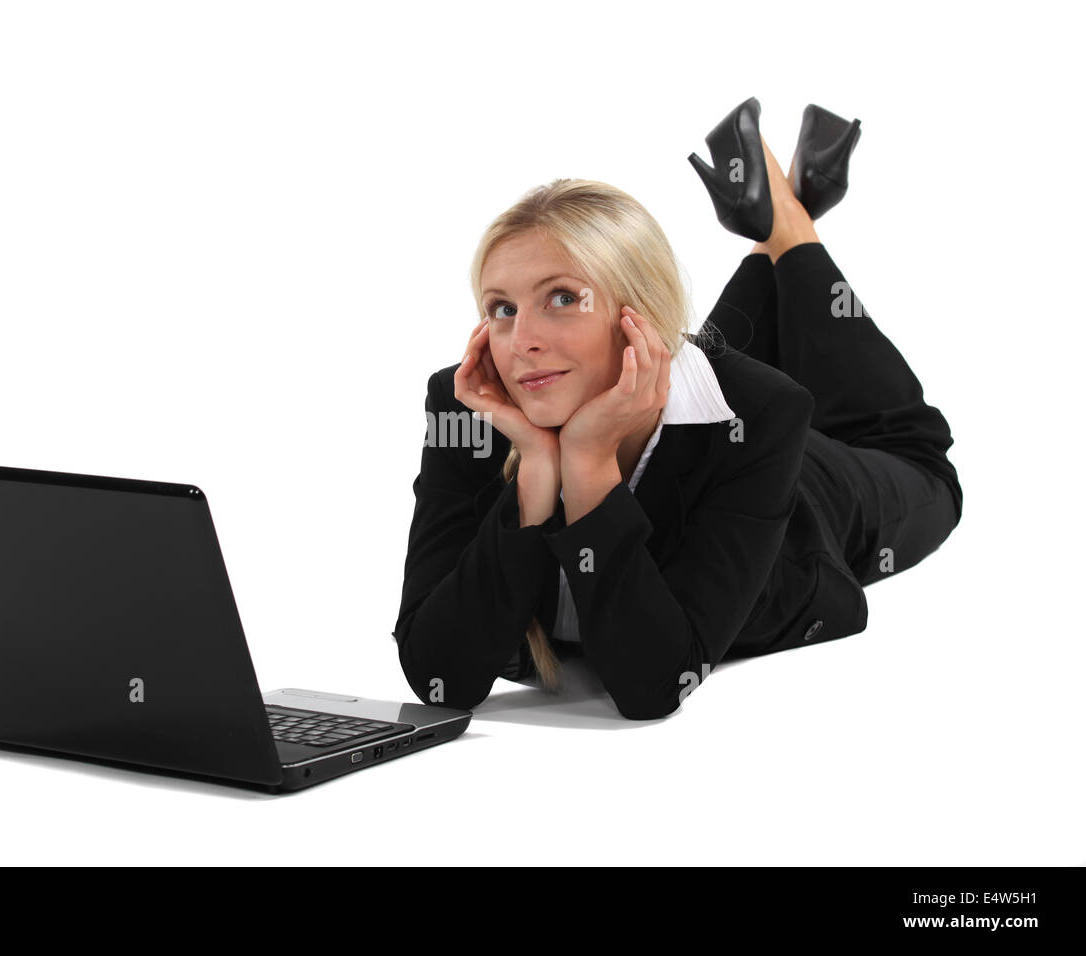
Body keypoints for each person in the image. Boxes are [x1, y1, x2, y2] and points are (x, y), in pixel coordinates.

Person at [391, 135, 962, 720]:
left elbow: (652, 687)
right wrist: (537, 468)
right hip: (678, 390)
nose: (523, 341)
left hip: (810, 494)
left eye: (562, 297)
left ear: (636, 310)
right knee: (727, 357)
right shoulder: (469, 406)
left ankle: (791, 230)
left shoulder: (763, 413)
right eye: (502, 308)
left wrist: (586, 464)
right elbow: (440, 678)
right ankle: (776, 223)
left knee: (922, 463)